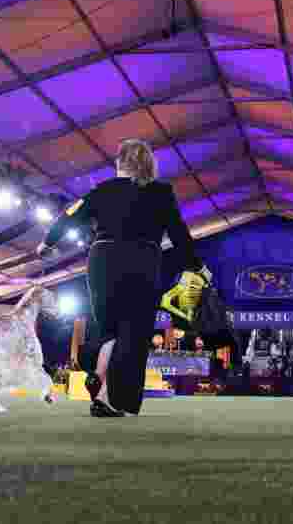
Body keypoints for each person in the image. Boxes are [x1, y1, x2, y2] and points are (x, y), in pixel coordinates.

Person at [36, 138, 210, 418]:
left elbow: (70, 215)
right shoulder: (161, 192)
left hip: (103, 260)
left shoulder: (101, 190)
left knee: (108, 328)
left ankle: (101, 384)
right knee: (134, 332)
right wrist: (196, 266)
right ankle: (116, 399)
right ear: (148, 164)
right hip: (142, 260)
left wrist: (48, 242)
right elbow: (179, 234)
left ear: (119, 162)